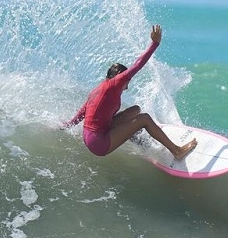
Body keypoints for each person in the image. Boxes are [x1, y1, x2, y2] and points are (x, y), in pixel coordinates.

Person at [63, 25, 197, 160]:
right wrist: (154, 44)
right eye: (127, 82)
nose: (127, 87)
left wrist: (67, 125)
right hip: (99, 143)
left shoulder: (99, 89)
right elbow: (137, 65)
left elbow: (83, 112)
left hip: (91, 136)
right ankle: (177, 151)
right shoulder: (114, 84)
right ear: (120, 77)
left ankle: (142, 142)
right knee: (144, 119)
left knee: (134, 110)